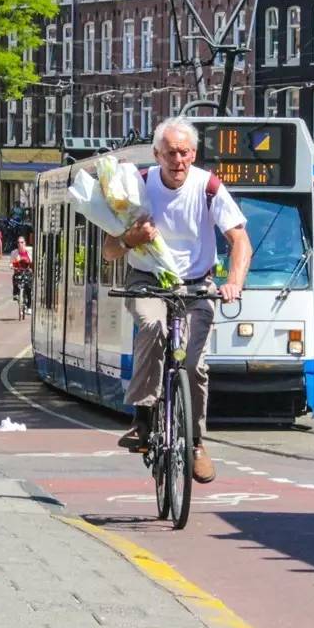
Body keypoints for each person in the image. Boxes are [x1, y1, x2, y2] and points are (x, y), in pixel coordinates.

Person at [102, 116, 252, 483]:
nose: (178, 160)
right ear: (156, 155)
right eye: (170, 153)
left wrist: (233, 282)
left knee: (195, 365)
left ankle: (196, 442)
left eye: (185, 152)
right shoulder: (138, 184)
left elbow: (240, 241)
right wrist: (129, 240)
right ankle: (143, 417)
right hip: (148, 279)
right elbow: (108, 251)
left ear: (194, 154)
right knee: (152, 326)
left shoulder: (209, 188)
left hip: (195, 284)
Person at [10, 236, 33, 312]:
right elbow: (11, 263)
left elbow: (33, 262)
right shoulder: (14, 252)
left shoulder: (30, 251)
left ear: (25, 243)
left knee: (28, 288)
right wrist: (12, 267)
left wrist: (31, 267)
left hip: (27, 271)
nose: (20, 244)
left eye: (22, 242)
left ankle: (29, 307)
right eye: (18, 242)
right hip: (19, 271)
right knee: (15, 278)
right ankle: (15, 294)